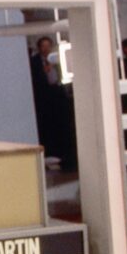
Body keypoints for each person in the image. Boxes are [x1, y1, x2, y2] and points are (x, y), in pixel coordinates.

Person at [30, 36, 77, 170]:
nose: (46, 49)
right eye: (43, 46)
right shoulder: (34, 62)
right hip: (43, 97)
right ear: (39, 48)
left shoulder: (57, 58)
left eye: (48, 46)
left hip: (58, 94)